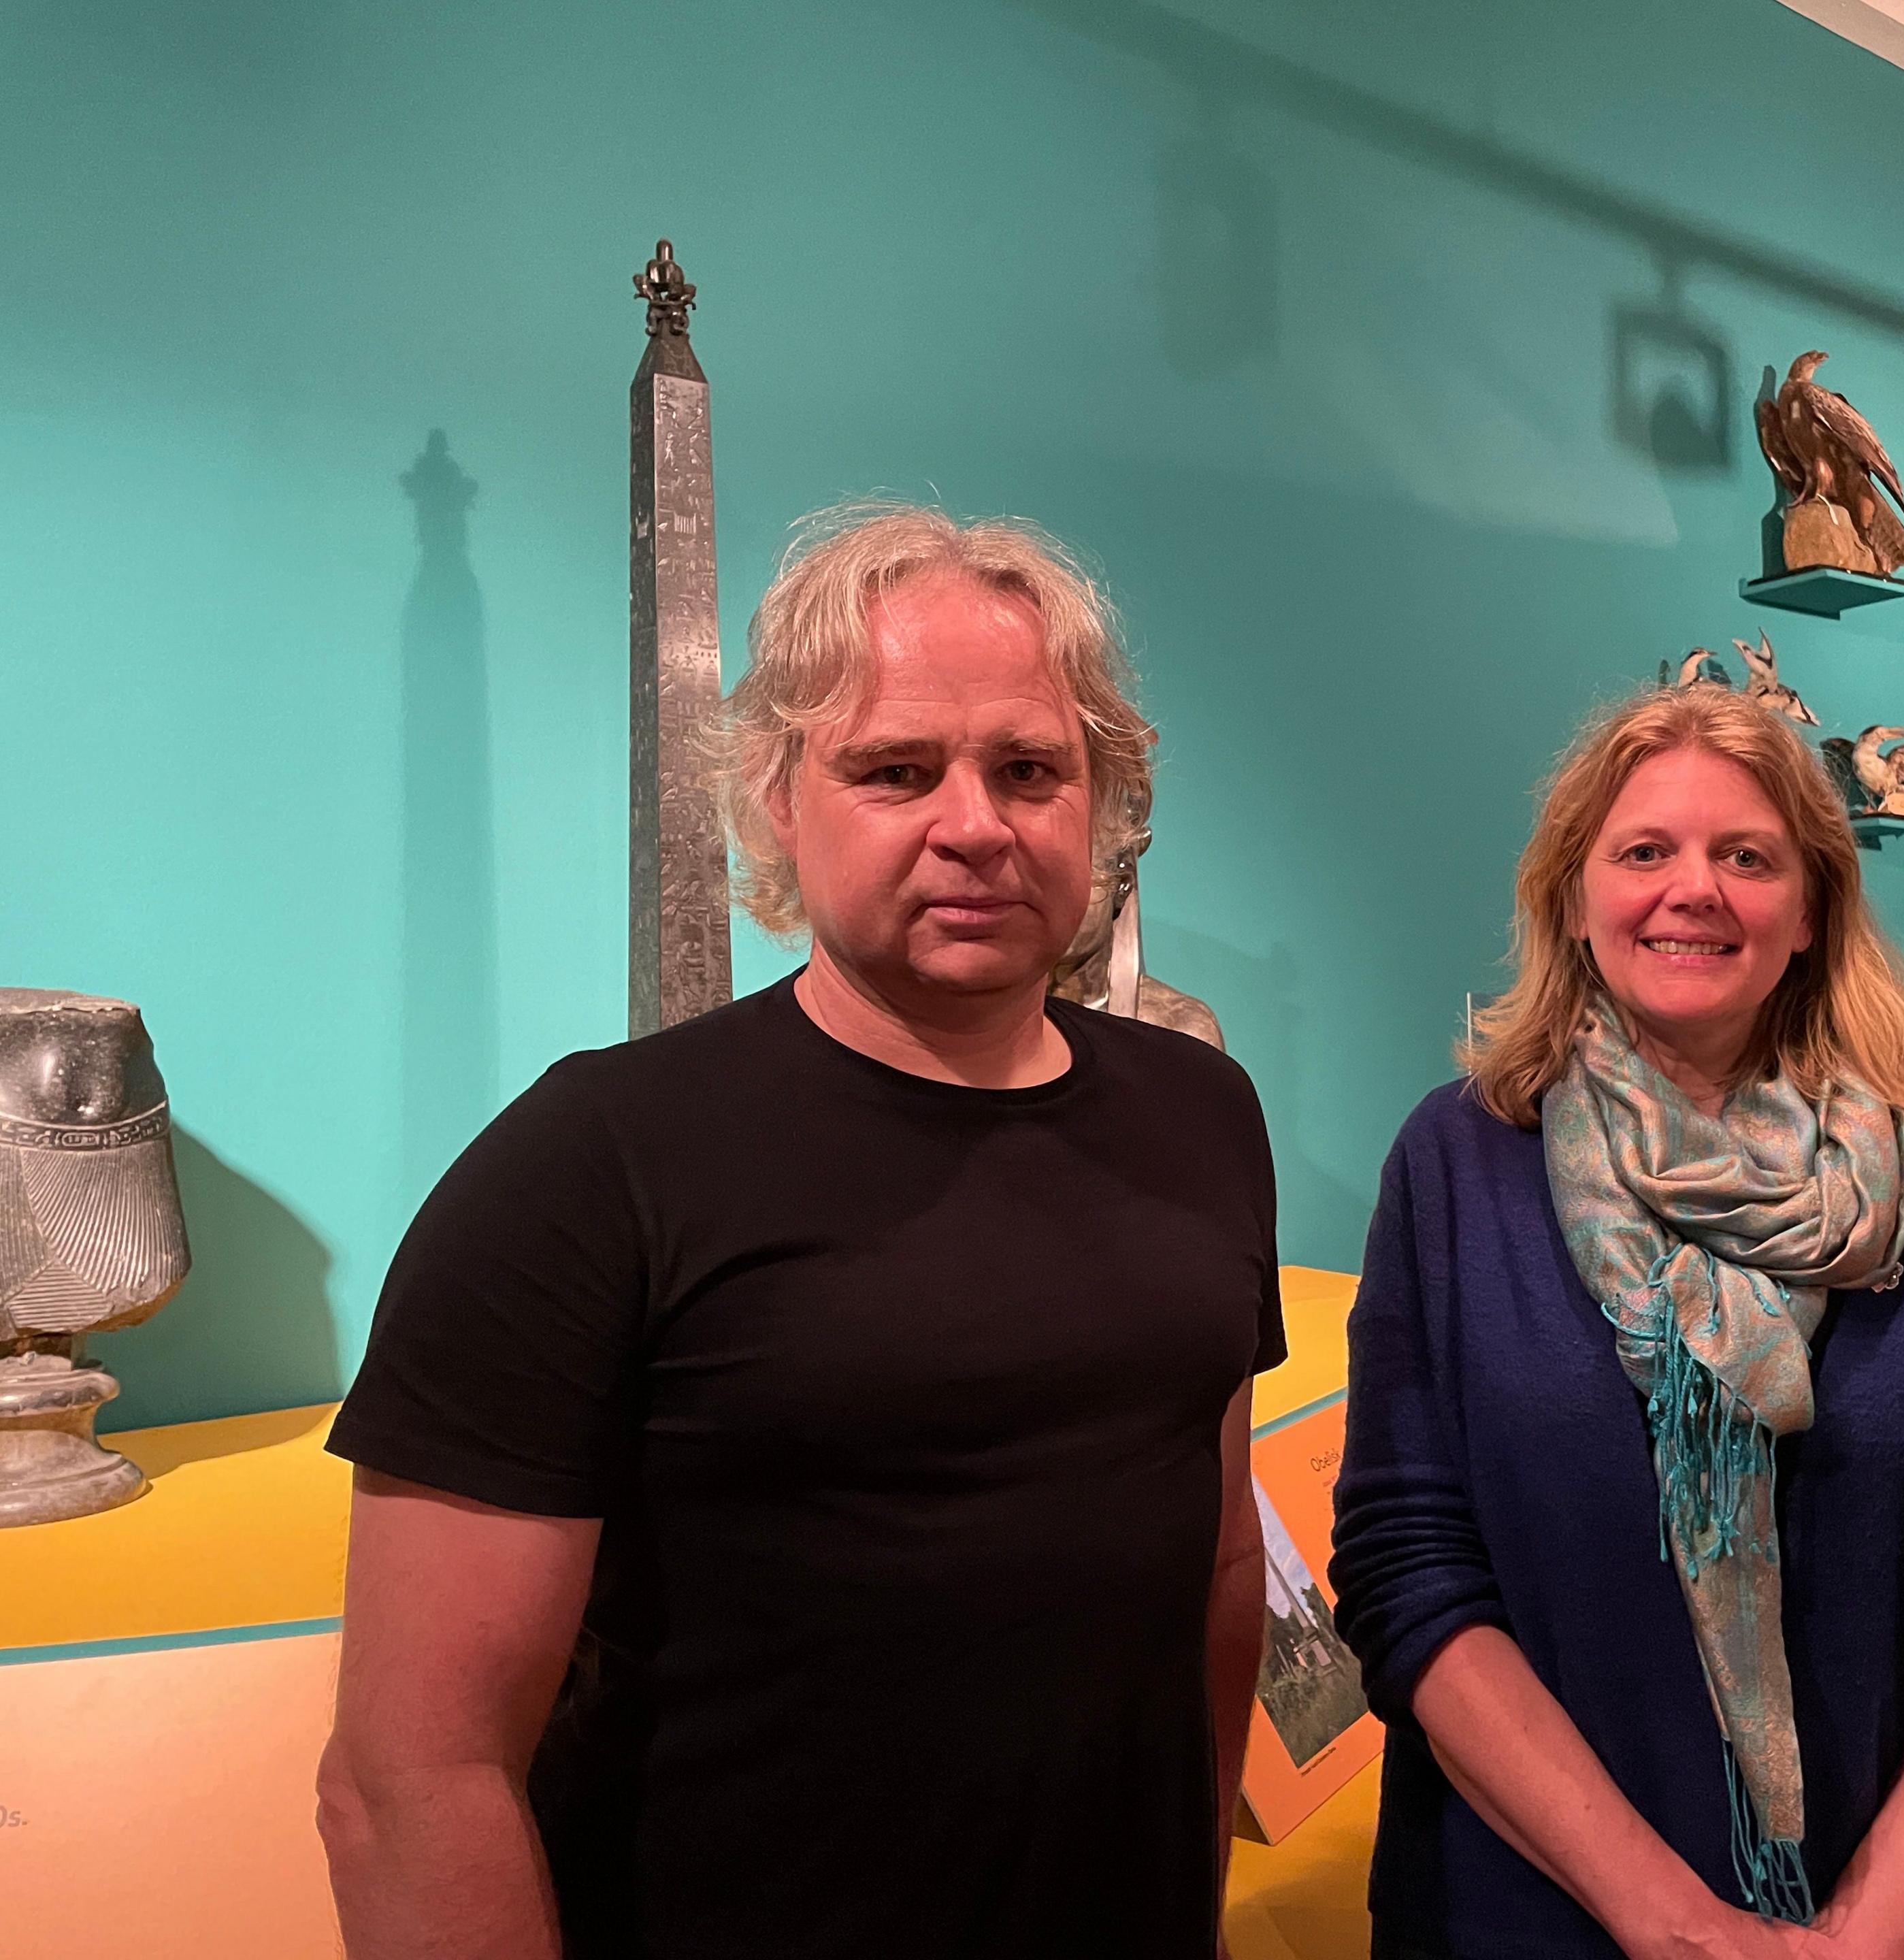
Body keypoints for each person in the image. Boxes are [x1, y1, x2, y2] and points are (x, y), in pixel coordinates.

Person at [316, 505, 1285, 1959]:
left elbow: (1211, 1579)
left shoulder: (1204, 1114)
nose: (977, 823)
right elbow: (409, 1781)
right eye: (897, 770)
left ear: (1101, 801)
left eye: (1031, 769)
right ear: (778, 798)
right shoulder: (591, 1165)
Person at [1329, 681, 1904, 1959]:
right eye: (1643, 851)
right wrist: (1676, 1925)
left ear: (1808, 910)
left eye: (1745, 857)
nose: (1691, 889)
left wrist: (1862, 1942)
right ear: (1573, 898)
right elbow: (1409, 1574)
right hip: (1533, 1913)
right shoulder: (1457, 1164)